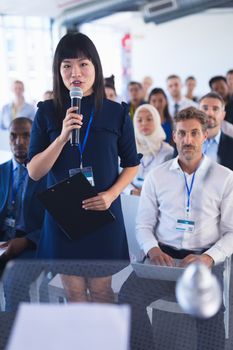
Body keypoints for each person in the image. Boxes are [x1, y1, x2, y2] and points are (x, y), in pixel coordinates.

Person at [119, 107, 233, 350]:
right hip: (164, 258)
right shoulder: (157, 176)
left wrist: (208, 258)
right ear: (174, 137)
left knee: (210, 311)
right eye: (182, 133)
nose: (188, 140)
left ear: (204, 136)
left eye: (194, 133)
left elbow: (231, 232)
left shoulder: (225, 178)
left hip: (203, 260)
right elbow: (144, 224)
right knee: (127, 298)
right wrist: (152, 250)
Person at [27, 32, 140, 261]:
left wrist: (111, 195)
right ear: (58, 72)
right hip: (64, 217)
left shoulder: (116, 112)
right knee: (73, 292)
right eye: (66, 65)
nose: (75, 73)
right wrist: (61, 138)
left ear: (95, 67)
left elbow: (131, 165)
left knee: (102, 292)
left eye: (83, 64)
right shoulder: (47, 111)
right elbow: (34, 171)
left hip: (103, 210)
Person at [0, 117, 46, 310]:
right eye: (13, 136)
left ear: (34, 136)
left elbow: (55, 222)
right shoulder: (1, 172)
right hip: (3, 243)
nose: (19, 142)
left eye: (26, 135)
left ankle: (16, 336)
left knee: (14, 281)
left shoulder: (47, 172)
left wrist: (27, 241)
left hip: (33, 245)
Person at [125, 104, 174, 196]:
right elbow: (119, 176)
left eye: (149, 119)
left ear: (156, 121)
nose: (144, 123)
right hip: (130, 199)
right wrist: (131, 191)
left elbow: (170, 181)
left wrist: (148, 192)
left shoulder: (168, 152)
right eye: (139, 120)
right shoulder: (128, 149)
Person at [199, 92, 233, 170]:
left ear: (223, 115)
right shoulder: (184, 142)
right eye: (205, 108)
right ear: (198, 113)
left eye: (215, 109)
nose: (209, 113)